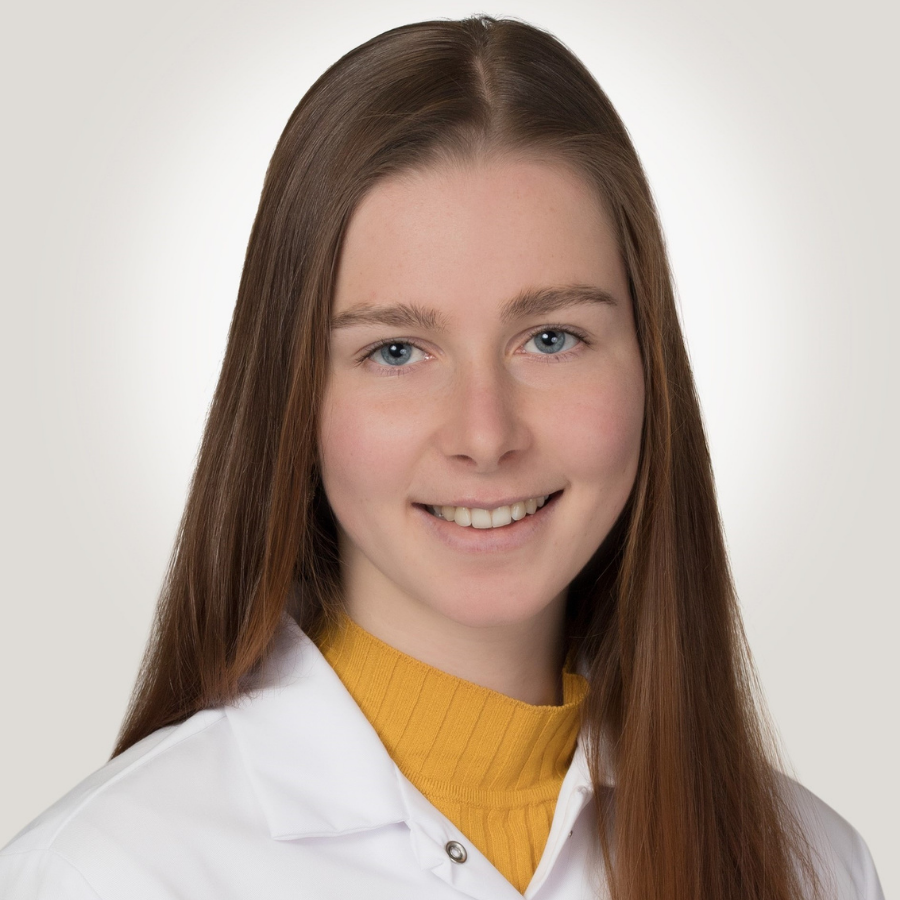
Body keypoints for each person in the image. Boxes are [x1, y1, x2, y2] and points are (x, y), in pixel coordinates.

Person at [0, 14, 884, 900]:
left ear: (651, 367)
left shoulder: (813, 867)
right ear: (291, 399)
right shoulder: (102, 874)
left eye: (551, 337)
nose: (485, 435)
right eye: (396, 352)